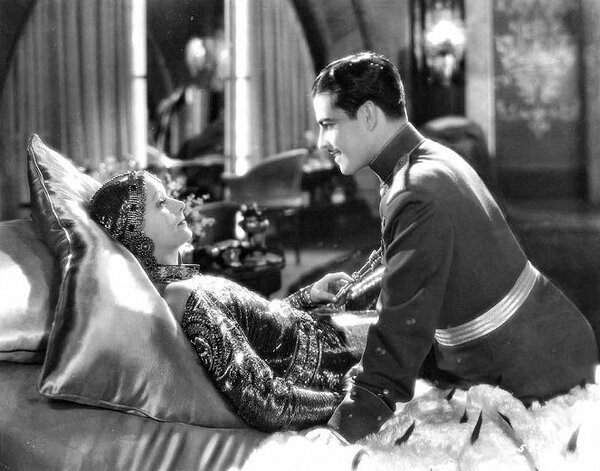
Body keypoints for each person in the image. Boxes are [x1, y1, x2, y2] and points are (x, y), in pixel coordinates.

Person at [311, 51, 598, 443]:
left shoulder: (414, 190)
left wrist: (343, 431)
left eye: (328, 125)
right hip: (545, 346)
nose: (322, 142)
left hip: (534, 376)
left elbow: (400, 330)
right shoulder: (427, 159)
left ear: (368, 115)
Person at [88, 170, 361, 432]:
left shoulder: (182, 287)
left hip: (325, 327)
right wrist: (350, 401)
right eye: (161, 203)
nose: (180, 204)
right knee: (386, 282)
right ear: (134, 231)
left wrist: (307, 296)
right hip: (336, 357)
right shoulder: (183, 297)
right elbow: (266, 403)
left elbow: (261, 328)